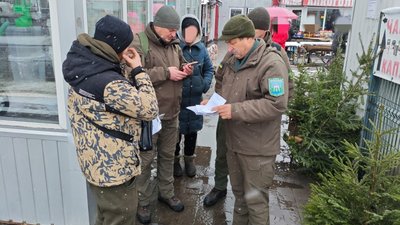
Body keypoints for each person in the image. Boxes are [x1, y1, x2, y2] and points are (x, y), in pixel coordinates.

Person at [63, 15, 159, 225]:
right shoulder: (110, 84)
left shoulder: (83, 64)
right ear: (116, 47)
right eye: (125, 47)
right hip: (115, 171)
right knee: (120, 217)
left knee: (105, 216)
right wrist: (138, 69)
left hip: (94, 164)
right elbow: (150, 108)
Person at [203, 7, 294, 208]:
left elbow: (279, 101)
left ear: (250, 35)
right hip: (232, 131)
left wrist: (236, 109)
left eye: (233, 42)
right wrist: (214, 102)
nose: (229, 47)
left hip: (256, 142)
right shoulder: (233, 56)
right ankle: (219, 186)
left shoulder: (274, 59)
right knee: (240, 198)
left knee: (255, 202)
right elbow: (223, 81)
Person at [128, 5, 193, 224]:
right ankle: (143, 201)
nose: (175, 35)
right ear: (158, 26)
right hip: (149, 118)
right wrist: (165, 73)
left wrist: (185, 68)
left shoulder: (174, 43)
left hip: (172, 113)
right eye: (172, 31)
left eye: (176, 31)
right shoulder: (139, 43)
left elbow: (180, 62)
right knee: (145, 161)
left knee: (168, 156)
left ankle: (166, 193)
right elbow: (128, 75)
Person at [174, 14, 214, 178]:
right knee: (176, 133)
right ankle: (175, 161)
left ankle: (189, 160)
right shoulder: (175, 48)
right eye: (186, 32)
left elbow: (209, 70)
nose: (190, 36)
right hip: (178, 100)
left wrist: (204, 85)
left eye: (193, 32)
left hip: (195, 99)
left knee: (192, 132)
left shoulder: (202, 49)